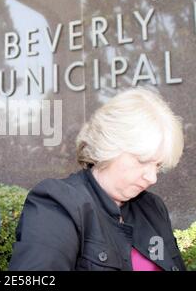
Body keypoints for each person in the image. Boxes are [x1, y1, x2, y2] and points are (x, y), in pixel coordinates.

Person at [9, 88, 186, 271]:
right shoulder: (58, 203)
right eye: (142, 161)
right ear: (108, 147)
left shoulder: (153, 207)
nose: (152, 178)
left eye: (157, 166)